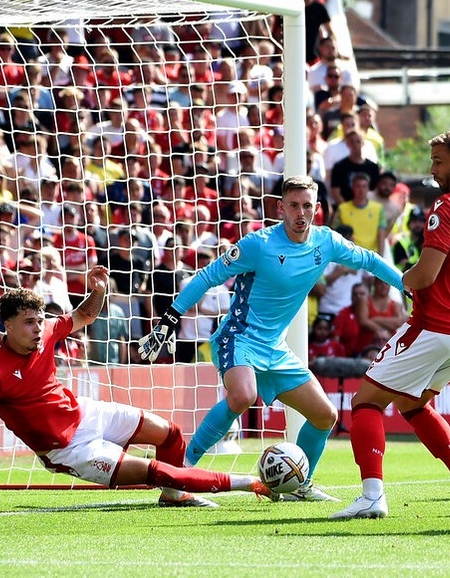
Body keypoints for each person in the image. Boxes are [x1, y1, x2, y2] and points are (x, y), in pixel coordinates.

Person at [138, 175, 405, 502]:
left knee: (326, 416)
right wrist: (170, 317)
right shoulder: (258, 244)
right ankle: (179, 474)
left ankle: (300, 485)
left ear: (317, 208)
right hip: (239, 337)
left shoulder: (326, 241)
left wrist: (405, 285)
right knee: (243, 395)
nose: (300, 213)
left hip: (275, 349)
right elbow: (208, 276)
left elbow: (370, 260)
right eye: (293, 206)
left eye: (307, 206)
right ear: (280, 208)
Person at [0, 266, 271, 508]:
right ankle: (249, 483)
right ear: (8, 325)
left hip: (84, 413)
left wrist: (98, 290)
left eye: (40, 320)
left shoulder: (48, 330)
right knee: (156, 470)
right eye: (29, 322)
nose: (38, 328)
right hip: (68, 450)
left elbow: (85, 315)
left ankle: (174, 495)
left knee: (171, 432)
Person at [331, 129, 450, 521]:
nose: (432, 171)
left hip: (435, 326)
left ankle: (371, 496)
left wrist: (402, 279)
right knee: (412, 403)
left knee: (365, 402)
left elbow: (425, 275)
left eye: (438, 162)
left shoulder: (448, 206)